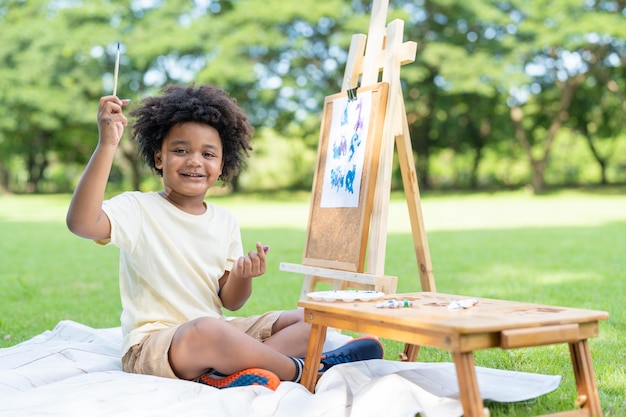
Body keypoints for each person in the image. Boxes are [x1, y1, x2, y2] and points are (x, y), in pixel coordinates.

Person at [66, 84, 383, 390]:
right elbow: (82, 223)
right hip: (155, 345)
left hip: (216, 332)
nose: (194, 161)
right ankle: (308, 369)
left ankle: (224, 373)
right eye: (180, 150)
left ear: (222, 165)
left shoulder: (225, 220)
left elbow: (231, 301)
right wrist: (107, 144)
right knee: (208, 330)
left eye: (208, 154)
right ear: (159, 158)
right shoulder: (138, 208)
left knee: (310, 318)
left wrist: (243, 277)